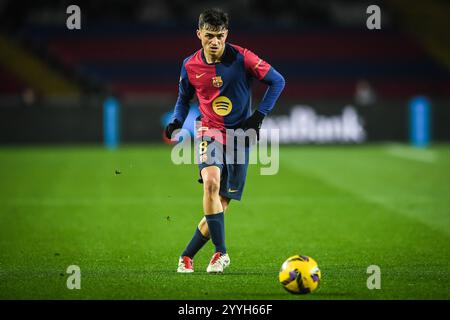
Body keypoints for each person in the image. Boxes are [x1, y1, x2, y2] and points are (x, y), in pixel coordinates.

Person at [165, 8, 285, 273]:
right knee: (210, 184)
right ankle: (221, 253)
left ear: (226, 34)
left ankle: (187, 256)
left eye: (219, 35)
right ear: (199, 34)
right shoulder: (189, 65)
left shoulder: (244, 58)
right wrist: (176, 121)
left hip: (241, 136)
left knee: (221, 202)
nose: (215, 41)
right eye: (209, 36)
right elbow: (184, 98)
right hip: (209, 130)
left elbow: (278, 81)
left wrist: (259, 116)